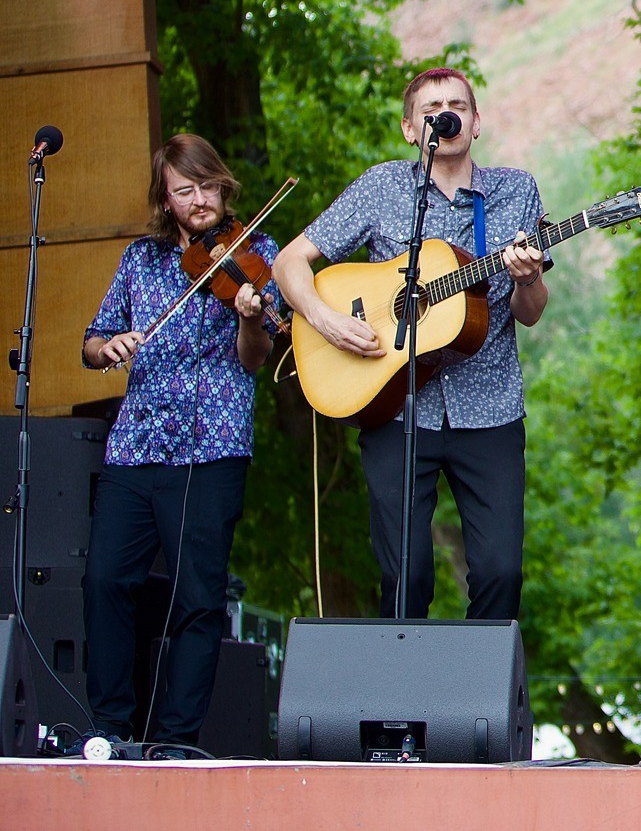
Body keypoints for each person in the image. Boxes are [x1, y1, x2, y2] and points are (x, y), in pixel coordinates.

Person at [274, 67, 548, 620]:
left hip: (489, 407)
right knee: (406, 575)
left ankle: (476, 705)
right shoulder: (382, 188)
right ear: (409, 129)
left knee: (501, 572)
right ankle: (402, 709)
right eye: (430, 109)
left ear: (475, 124)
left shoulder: (515, 192)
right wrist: (327, 322)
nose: (443, 115)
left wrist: (525, 277)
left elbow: (532, 312)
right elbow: (288, 262)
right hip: (395, 406)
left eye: (456, 106)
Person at [79, 134, 281, 747]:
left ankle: (173, 738)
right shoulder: (141, 259)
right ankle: (111, 726)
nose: (199, 202)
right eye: (185, 191)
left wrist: (249, 318)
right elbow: (93, 339)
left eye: (208, 188)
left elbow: (255, 358)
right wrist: (106, 348)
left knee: (199, 598)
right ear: (166, 200)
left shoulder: (257, 251)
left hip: (211, 447)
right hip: (136, 445)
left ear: (223, 187)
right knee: (106, 581)